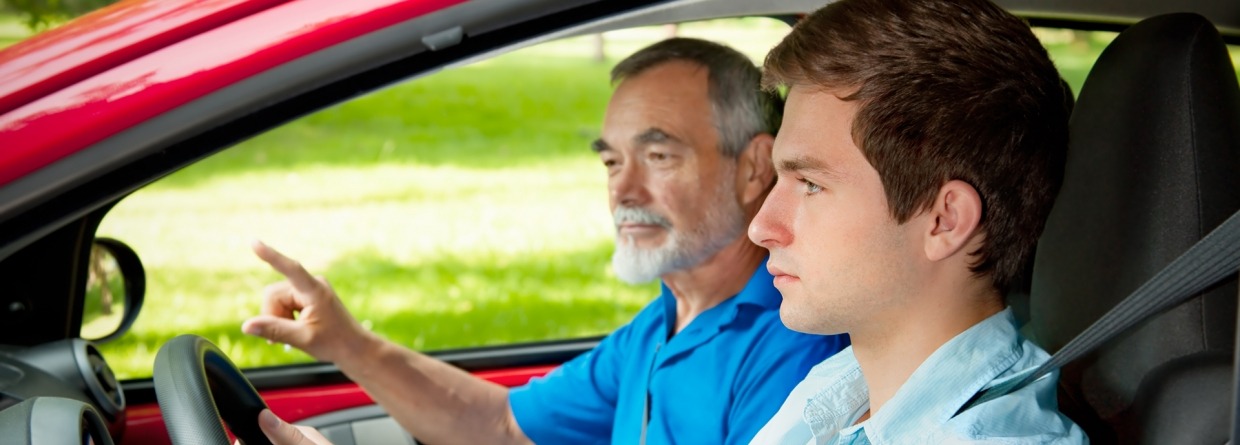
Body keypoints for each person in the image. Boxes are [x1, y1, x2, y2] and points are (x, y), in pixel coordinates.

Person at [243, 37, 849, 445]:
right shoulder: (667, 319)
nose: (625, 191)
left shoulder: (793, 342)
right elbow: (501, 424)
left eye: (658, 155)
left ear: (753, 168)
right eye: (612, 162)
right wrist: (347, 343)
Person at [745, 0, 1087, 443]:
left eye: (810, 183)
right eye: (781, 178)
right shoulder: (842, 389)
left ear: (945, 221)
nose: (761, 227)